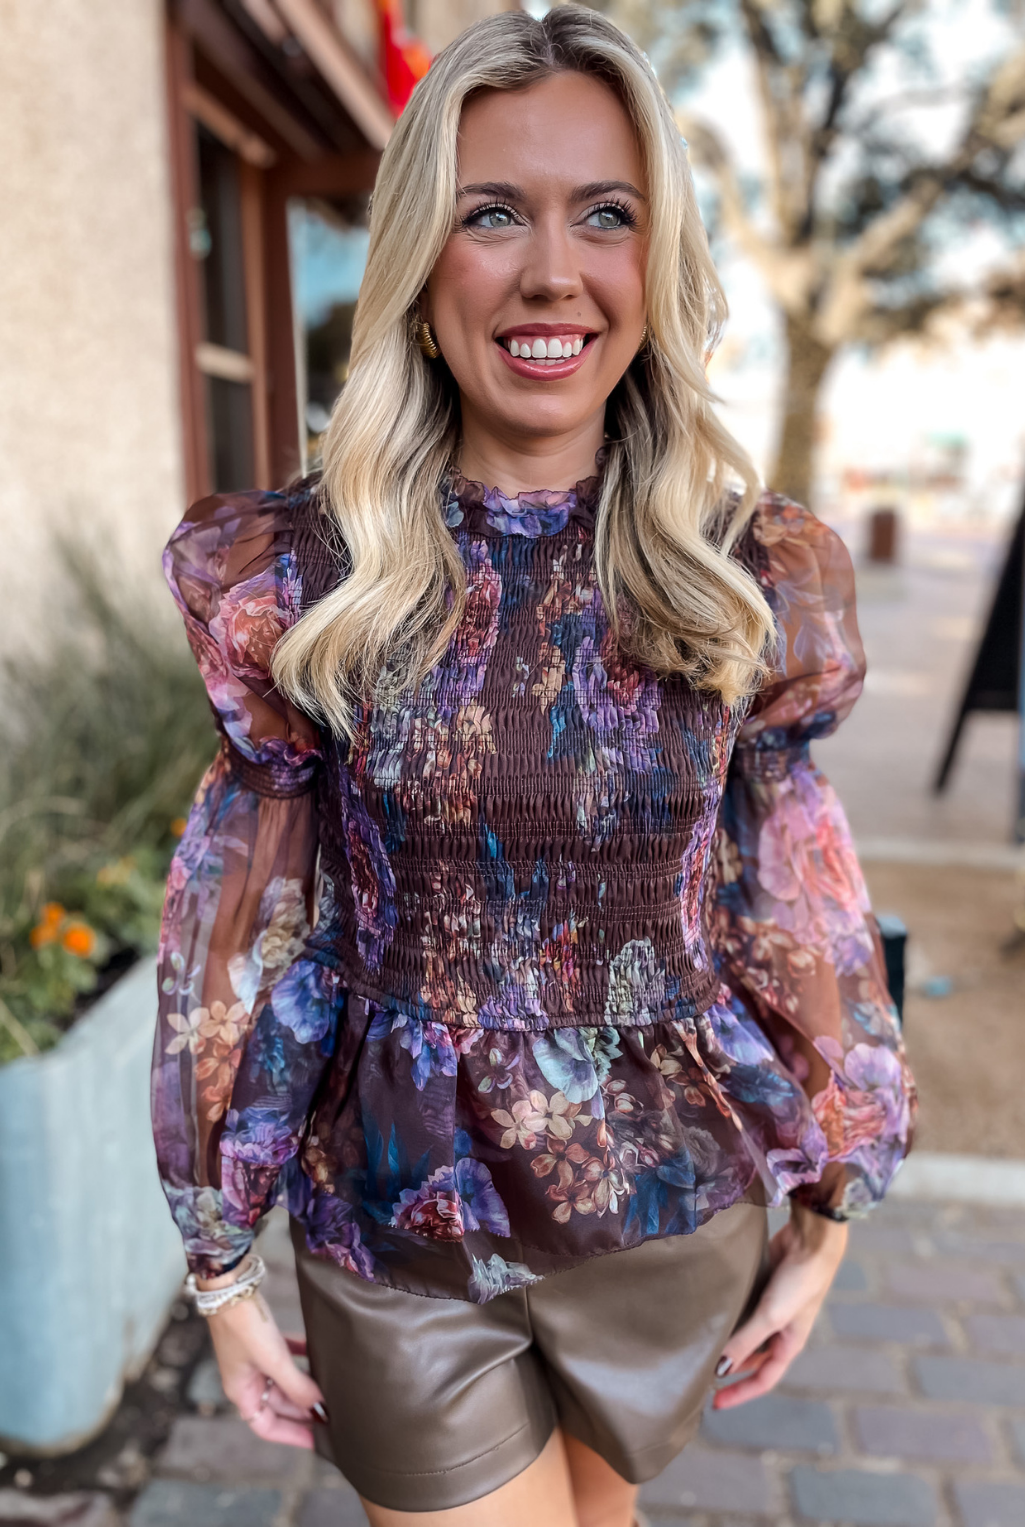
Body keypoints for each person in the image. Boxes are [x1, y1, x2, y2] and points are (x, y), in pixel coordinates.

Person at [152, 9, 916, 1525]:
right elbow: (242, 942)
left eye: (607, 216)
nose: (553, 273)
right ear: (424, 254)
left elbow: (798, 903)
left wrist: (833, 1201)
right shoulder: (316, 581)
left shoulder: (739, 581)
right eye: (493, 212)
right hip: (402, 1232)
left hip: (664, 1215)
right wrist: (219, 1249)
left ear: (659, 261)